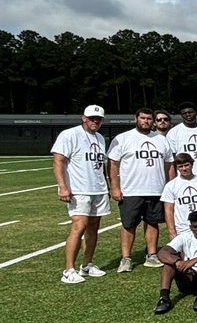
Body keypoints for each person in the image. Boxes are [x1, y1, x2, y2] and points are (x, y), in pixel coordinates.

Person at [107, 106, 171, 272]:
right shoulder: (123, 138)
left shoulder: (161, 139)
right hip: (131, 190)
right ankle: (126, 258)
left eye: (149, 119)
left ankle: (151, 254)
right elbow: (113, 163)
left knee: (152, 222)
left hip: (156, 189)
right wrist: (115, 187)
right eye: (143, 118)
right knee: (129, 224)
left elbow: (168, 164)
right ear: (136, 119)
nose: (146, 121)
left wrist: (170, 186)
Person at [53, 104, 111, 283]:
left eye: (99, 119)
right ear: (83, 118)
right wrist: (63, 187)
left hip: (98, 189)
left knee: (94, 227)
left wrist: (106, 187)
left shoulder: (100, 137)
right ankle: (68, 269)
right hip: (79, 189)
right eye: (92, 118)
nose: (95, 121)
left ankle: (87, 265)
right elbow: (58, 161)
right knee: (79, 226)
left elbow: (101, 166)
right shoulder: (69, 134)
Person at [153, 210, 197, 314]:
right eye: (195, 227)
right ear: (191, 227)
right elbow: (162, 253)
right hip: (190, 278)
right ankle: (164, 298)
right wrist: (177, 262)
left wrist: (194, 260)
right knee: (169, 264)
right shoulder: (184, 236)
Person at [160, 153, 197, 240]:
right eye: (180, 166)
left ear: (192, 164)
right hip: (182, 229)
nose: (184, 169)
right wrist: (172, 232)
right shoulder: (171, 186)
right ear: (177, 168)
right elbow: (168, 210)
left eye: (186, 165)